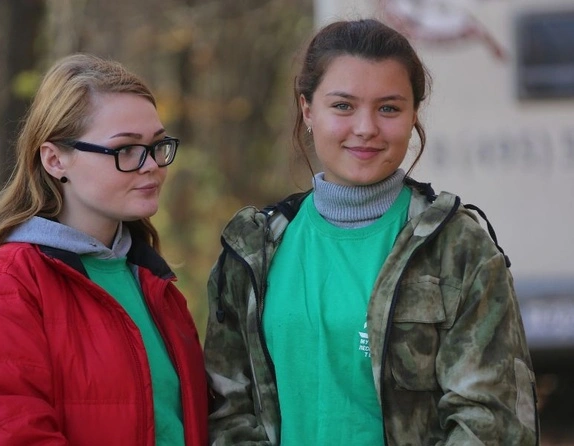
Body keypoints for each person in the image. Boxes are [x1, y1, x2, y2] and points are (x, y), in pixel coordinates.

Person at [204, 19, 539, 445]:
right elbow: (229, 412)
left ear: (413, 115)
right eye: (343, 106)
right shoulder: (253, 250)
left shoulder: (458, 248)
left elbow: (492, 422)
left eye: (389, 108)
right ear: (307, 110)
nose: (365, 128)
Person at [0, 53, 208, 445]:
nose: (151, 165)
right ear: (56, 159)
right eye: (126, 149)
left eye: (157, 145)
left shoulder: (155, 285)